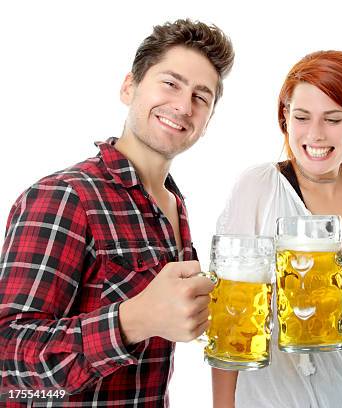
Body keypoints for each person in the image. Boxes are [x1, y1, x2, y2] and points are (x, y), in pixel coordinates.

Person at [0, 19, 234, 406]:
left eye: (201, 97)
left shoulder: (174, 207)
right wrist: (133, 320)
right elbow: (8, 360)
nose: (182, 105)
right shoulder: (64, 195)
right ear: (130, 87)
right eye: (170, 83)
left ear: (207, 122)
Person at [213, 50, 342, 408]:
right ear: (285, 117)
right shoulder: (258, 186)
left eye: (333, 119)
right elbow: (228, 323)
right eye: (302, 117)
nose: (315, 134)